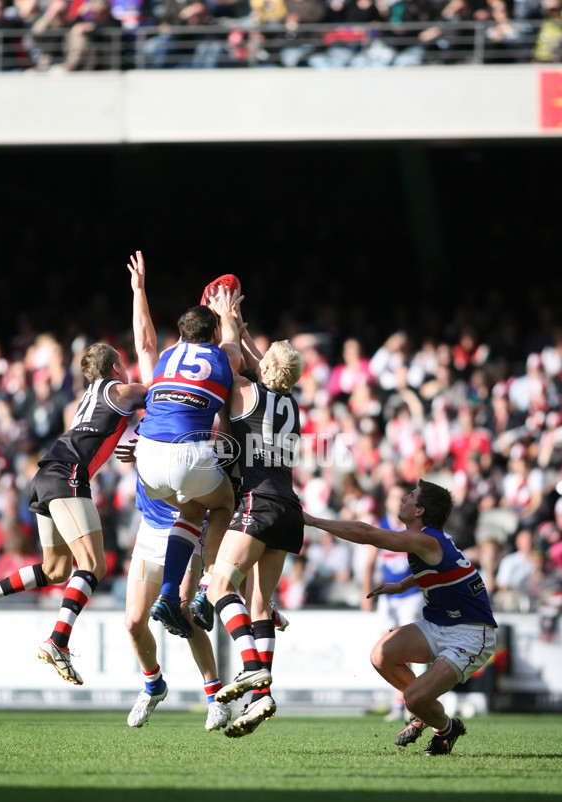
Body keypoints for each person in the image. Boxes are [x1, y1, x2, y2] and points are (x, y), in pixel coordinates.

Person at [0, 342, 147, 685]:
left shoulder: (88, 397)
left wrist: (133, 437)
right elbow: (160, 396)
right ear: (117, 367)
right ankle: (58, 640)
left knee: (56, 568)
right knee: (93, 564)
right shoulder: (121, 389)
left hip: (46, 473)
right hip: (68, 475)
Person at [304, 479, 498, 756]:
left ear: (419, 510)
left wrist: (312, 520)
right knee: (381, 655)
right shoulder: (431, 540)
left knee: (414, 698)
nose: (403, 498)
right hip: (438, 624)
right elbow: (443, 570)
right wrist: (402, 585)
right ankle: (429, 715)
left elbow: (366, 533)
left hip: (470, 633)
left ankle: (442, 727)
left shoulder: (424, 538)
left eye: (410, 496)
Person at [121, 250, 230, 731]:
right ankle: (152, 685)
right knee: (132, 622)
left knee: (182, 615)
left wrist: (140, 291)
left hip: (175, 500)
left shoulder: (167, 368)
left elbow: (147, 342)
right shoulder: (200, 366)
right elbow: (144, 338)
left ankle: (215, 698)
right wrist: (140, 292)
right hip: (156, 519)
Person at [205, 289, 305, 738]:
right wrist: (243, 327)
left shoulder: (248, 394)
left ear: (265, 367)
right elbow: (264, 364)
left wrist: (226, 320)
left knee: (218, 585)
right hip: (289, 507)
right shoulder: (292, 404)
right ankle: (262, 695)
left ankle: (250, 670)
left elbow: (231, 362)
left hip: (258, 502)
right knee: (260, 603)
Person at [133, 275, 242, 641]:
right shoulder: (222, 356)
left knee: (192, 509)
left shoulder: (165, 357)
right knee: (224, 503)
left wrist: (139, 290)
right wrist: (228, 313)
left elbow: (145, 342)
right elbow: (233, 345)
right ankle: (207, 585)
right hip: (187, 453)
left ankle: (167, 593)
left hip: (145, 455)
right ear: (212, 333)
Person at [362, 481, 425, 722]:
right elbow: (369, 563)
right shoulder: (382, 526)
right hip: (388, 598)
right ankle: (400, 700)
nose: (397, 503)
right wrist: (365, 594)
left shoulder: (416, 529)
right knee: (386, 648)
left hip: (411, 595)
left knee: (410, 647)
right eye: (393, 498)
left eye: (402, 498)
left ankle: (417, 700)